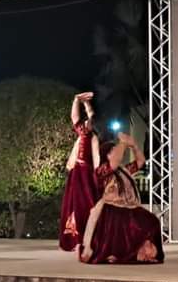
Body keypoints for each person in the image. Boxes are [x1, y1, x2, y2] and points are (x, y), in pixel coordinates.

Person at [79, 133, 164, 264]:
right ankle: (132, 252)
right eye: (114, 149)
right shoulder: (102, 170)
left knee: (152, 221)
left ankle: (143, 251)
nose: (119, 150)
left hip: (128, 208)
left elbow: (140, 162)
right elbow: (114, 162)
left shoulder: (123, 170)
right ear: (107, 155)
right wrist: (123, 143)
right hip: (111, 212)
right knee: (134, 227)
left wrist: (134, 146)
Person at [59, 92, 100, 252]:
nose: (86, 124)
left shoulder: (93, 136)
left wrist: (86, 104)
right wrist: (77, 100)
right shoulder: (82, 133)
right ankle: (75, 240)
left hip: (88, 174)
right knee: (74, 203)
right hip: (77, 172)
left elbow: (92, 116)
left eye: (89, 122)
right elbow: (75, 117)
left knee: (88, 204)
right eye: (86, 122)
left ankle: (88, 239)